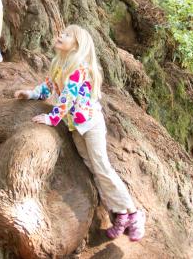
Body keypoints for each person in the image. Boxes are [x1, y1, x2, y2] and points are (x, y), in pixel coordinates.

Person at [14, 25, 146, 241]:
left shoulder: (79, 69)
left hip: (90, 124)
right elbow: (48, 87)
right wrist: (30, 93)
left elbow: (67, 98)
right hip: (75, 127)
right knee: (94, 168)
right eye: (61, 33)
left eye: (66, 35)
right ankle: (119, 213)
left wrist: (51, 118)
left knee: (102, 166)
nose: (60, 35)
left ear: (76, 45)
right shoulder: (59, 64)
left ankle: (133, 213)